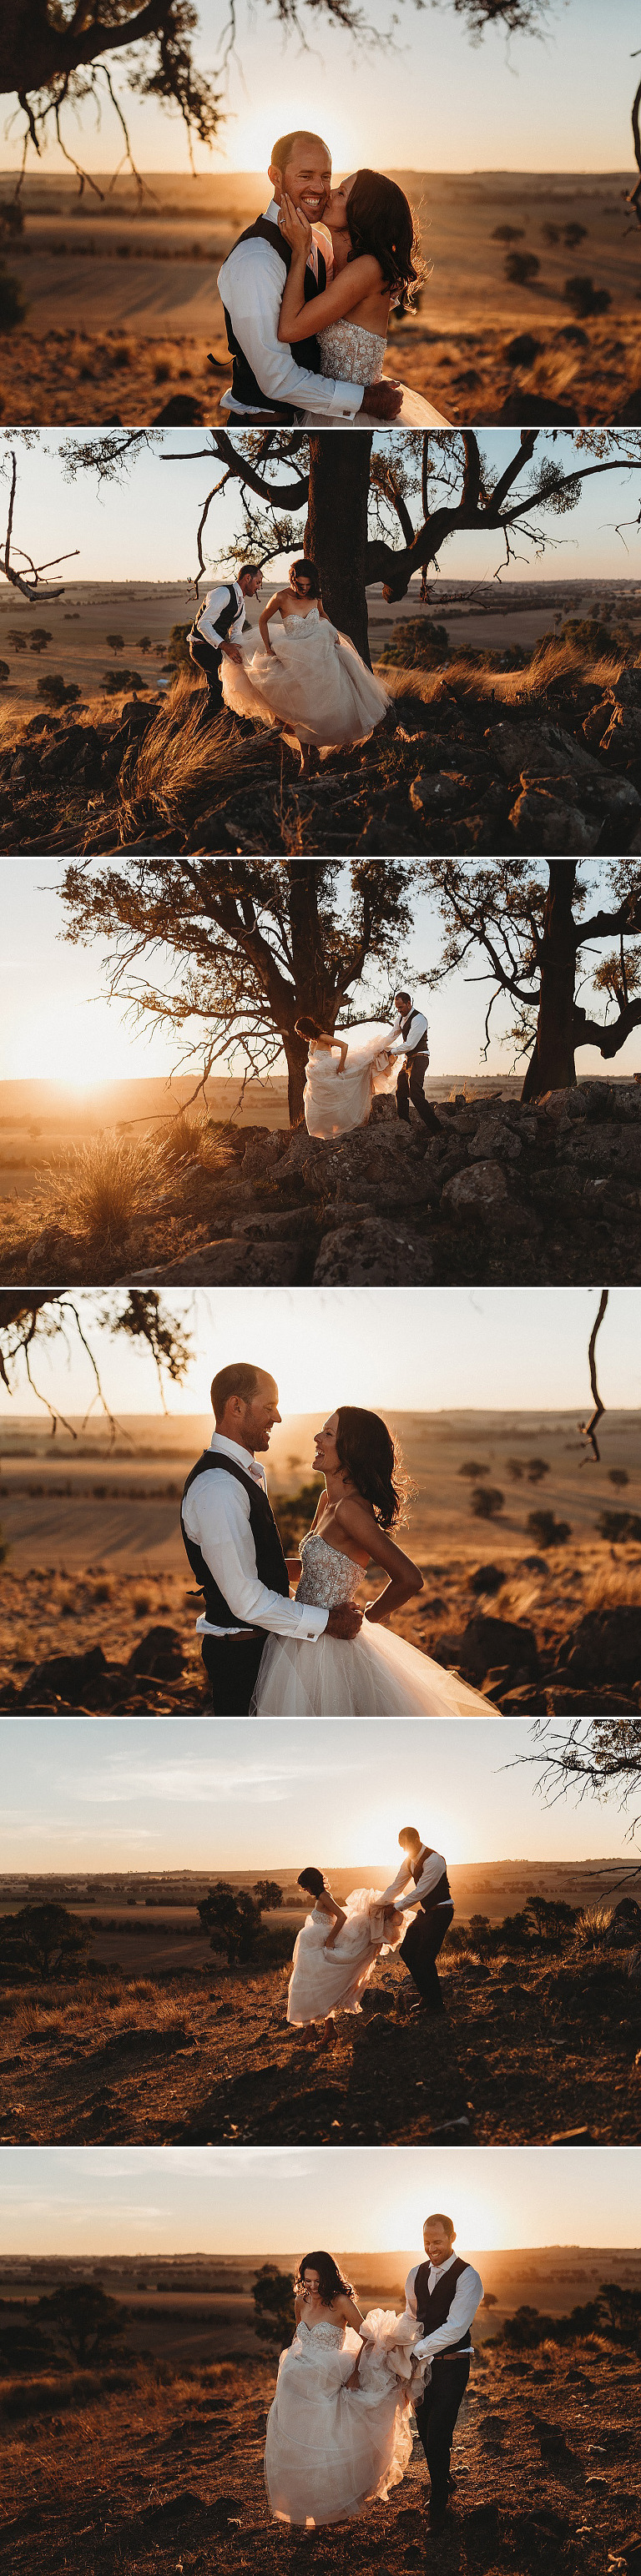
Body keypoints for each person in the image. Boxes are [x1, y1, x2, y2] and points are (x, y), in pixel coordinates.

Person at [250, 1405, 491, 1716]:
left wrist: (371, 1616)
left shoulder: (350, 1510)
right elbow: (308, 1569)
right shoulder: (327, 1501)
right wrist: (252, 1566)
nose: (316, 1438)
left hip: (330, 1649)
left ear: (351, 1449)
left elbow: (409, 1578)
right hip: (300, 1634)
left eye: (328, 1434)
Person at [179, 1364, 362, 1714]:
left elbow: (256, 1567)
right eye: (269, 1407)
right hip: (241, 1660)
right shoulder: (219, 1487)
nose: (277, 1418)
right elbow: (245, 1600)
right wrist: (327, 1622)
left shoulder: (243, 1476)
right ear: (236, 1407)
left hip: (264, 1650)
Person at [215, 128, 404, 425]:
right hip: (266, 425)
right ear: (275, 176)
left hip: (316, 420)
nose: (320, 189)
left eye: (326, 177)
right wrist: (365, 399)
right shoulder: (256, 258)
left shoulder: (319, 245)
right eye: (306, 176)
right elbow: (276, 379)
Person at [277, 166, 450, 427]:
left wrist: (300, 252)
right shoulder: (339, 262)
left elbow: (289, 329)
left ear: (362, 212)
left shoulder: (367, 268)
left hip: (348, 417)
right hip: (332, 404)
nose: (328, 192)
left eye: (342, 193)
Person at [264, 2250, 418, 2527]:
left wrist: (357, 2373)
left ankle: (329, 2509)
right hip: (297, 2381)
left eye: (316, 2281)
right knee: (296, 2443)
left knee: (323, 2442)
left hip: (327, 2380)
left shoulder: (341, 2302)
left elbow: (367, 2337)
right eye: (307, 2280)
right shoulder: (300, 2301)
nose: (311, 2287)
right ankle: (305, 2509)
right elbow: (300, 2334)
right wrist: (298, 2360)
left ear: (329, 2277)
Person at [220, 557, 391, 771]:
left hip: (320, 650)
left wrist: (333, 631)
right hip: (292, 653)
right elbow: (263, 620)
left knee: (327, 701)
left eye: (308, 585)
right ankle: (305, 759)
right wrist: (269, 647)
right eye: (300, 585)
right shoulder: (281, 597)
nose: (304, 589)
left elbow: (322, 614)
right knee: (299, 708)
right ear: (292, 580)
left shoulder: (315, 596)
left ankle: (321, 743)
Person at [404, 2214, 483, 2536]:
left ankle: (439, 2499)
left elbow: (455, 2328)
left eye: (437, 2241)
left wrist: (417, 2350)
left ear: (452, 2237)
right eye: (426, 2241)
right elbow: (413, 2316)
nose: (431, 2248)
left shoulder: (468, 2277)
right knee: (424, 2427)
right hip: (421, 2367)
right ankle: (444, 2478)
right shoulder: (414, 2274)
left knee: (439, 2428)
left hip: (452, 2364)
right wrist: (399, 2347)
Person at [286, 1866, 405, 2039]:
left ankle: (316, 2031)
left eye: (305, 1886)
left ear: (311, 1883)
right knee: (315, 1987)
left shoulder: (324, 1896)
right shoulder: (321, 1897)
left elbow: (342, 1916)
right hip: (313, 1949)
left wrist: (330, 1939)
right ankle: (320, 2030)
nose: (305, 1890)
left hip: (321, 1947)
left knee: (316, 1987)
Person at [381, 1825, 455, 2015]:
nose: (404, 1850)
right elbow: (396, 1886)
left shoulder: (435, 1860)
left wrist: (395, 1908)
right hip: (426, 1913)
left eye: (405, 1846)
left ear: (416, 1840)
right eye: (401, 1847)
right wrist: (379, 1904)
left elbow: (421, 1891)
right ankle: (427, 1995)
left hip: (441, 1912)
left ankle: (436, 2005)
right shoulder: (409, 1862)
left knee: (425, 1958)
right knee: (406, 1951)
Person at [296, 1012, 398, 1138]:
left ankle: (340, 1129)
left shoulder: (323, 1037)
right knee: (315, 1107)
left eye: (301, 1032)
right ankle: (322, 1134)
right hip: (317, 1081)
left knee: (338, 1102)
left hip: (329, 1076)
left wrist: (341, 1065)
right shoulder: (311, 1042)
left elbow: (344, 1046)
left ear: (307, 1029)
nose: (301, 1035)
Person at [186, 566, 262, 720]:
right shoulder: (223, 593)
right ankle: (195, 736)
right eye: (258, 582)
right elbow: (204, 624)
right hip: (202, 648)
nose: (259, 587)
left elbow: (236, 634)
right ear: (247, 578)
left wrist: (242, 653)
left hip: (214, 649)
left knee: (230, 691)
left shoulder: (241, 603)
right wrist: (225, 646)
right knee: (221, 694)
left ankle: (246, 735)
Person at [390, 988, 442, 1135]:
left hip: (420, 1058)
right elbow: (392, 1035)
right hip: (408, 1060)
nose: (399, 1010)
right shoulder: (400, 1019)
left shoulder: (419, 1019)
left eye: (401, 1007)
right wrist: (378, 1047)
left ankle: (437, 1129)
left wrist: (391, 1052)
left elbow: (410, 1044)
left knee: (416, 1094)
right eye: (397, 1008)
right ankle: (405, 1126)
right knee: (400, 1092)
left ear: (409, 1003)